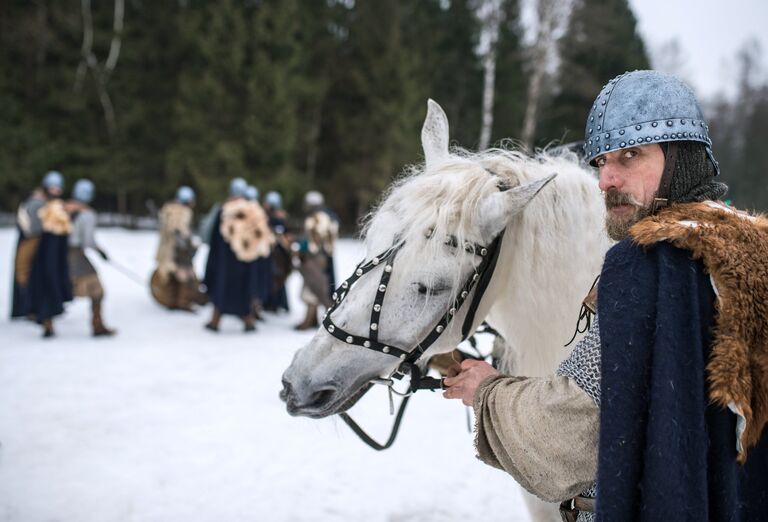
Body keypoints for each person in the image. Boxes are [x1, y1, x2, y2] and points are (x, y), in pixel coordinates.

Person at [443, 70, 767, 522]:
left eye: (631, 156)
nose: (606, 180)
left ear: (682, 158)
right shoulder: (749, 248)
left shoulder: (649, 265)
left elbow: (573, 434)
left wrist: (488, 391)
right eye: (601, 162)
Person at [202, 177, 273, 332]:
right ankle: (248, 321)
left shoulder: (225, 210)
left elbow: (215, 239)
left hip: (225, 263)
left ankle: (216, 321)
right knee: (244, 291)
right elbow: (262, 239)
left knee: (222, 289)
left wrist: (213, 261)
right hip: (246, 261)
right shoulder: (254, 210)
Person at [18, 171, 73, 337]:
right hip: (42, 252)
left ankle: (46, 317)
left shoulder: (55, 206)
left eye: (58, 187)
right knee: (42, 282)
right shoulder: (41, 204)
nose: (55, 190)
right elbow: (34, 230)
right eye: (52, 187)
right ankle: (43, 317)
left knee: (50, 282)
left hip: (53, 253)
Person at [65, 179, 116, 336]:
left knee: (57, 285)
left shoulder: (63, 208)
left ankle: (47, 324)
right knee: (97, 290)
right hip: (75, 256)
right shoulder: (87, 214)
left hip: (58, 256)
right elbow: (88, 241)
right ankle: (97, 325)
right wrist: (100, 251)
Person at [151, 186, 207, 311]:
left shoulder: (168, 209)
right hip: (175, 251)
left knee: (177, 273)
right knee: (184, 274)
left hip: (167, 249)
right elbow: (178, 232)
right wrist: (188, 245)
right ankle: (182, 301)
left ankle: (181, 298)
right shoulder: (181, 212)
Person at [294, 190, 338, 330]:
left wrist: (300, 246)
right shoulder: (330, 217)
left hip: (316, 258)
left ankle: (311, 320)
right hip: (324, 258)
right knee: (318, 287)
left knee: (313, 288)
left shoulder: (318, 218)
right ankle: (312, 319)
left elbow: (314, 240)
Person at [262, 190, 291, 313]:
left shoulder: (279, 219)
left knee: (276, 278)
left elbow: (286, 236)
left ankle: (275, 303)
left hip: (277, 255)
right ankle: (271, 303)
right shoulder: (265, 218)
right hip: (270, 254)